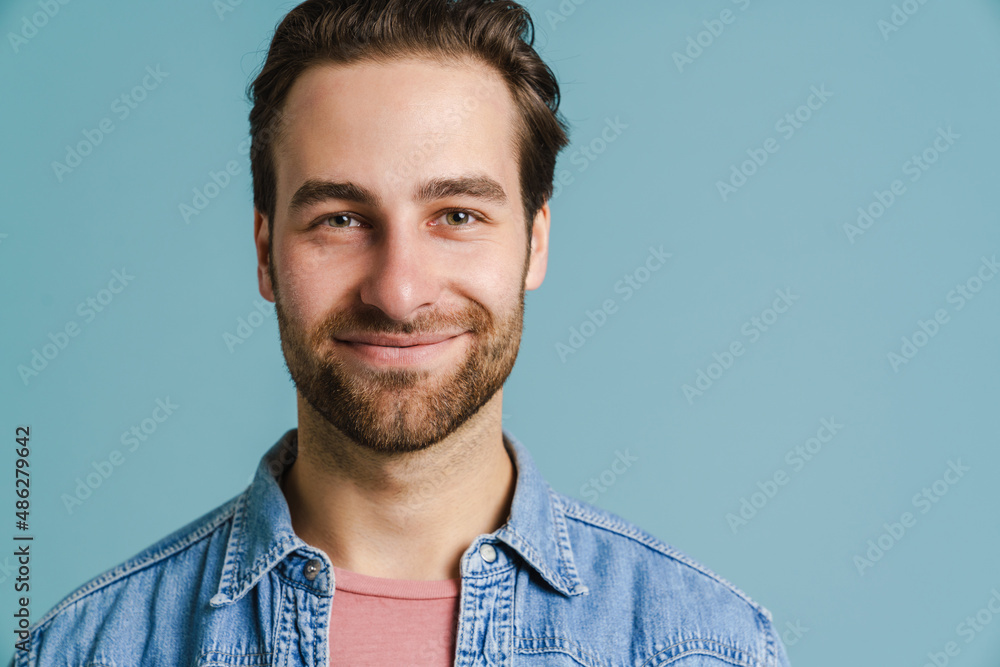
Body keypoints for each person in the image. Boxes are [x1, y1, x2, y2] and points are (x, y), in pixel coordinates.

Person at [11, 1, 792, 665]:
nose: (398, 290)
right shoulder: (84, 648)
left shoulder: (705, 645)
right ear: (264, 251)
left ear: (536, 242)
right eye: (341, 220)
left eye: (457, 215)